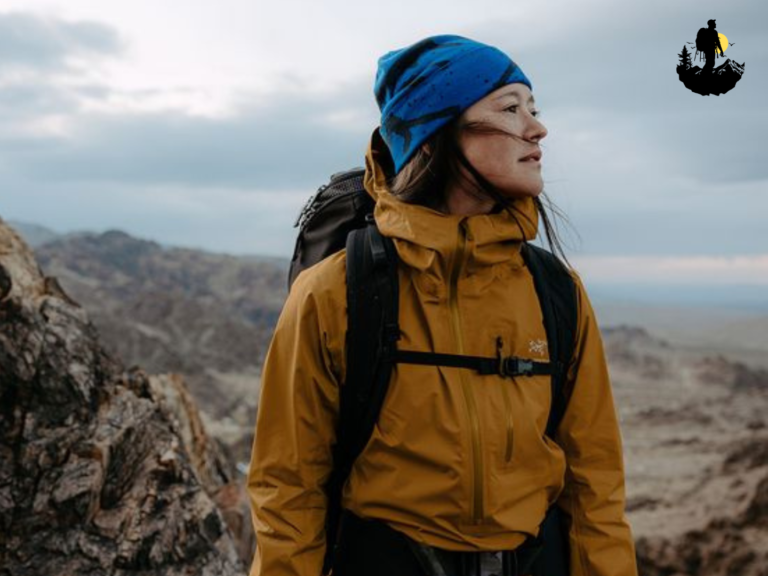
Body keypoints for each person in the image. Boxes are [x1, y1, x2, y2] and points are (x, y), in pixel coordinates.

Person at [246, 34, 638, 576]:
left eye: (534, 109)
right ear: (438, 130)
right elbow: (287, 489)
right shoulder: (335, 292)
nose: (537, 128)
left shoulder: (555, 291)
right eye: (510, 108)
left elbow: (595, 485)